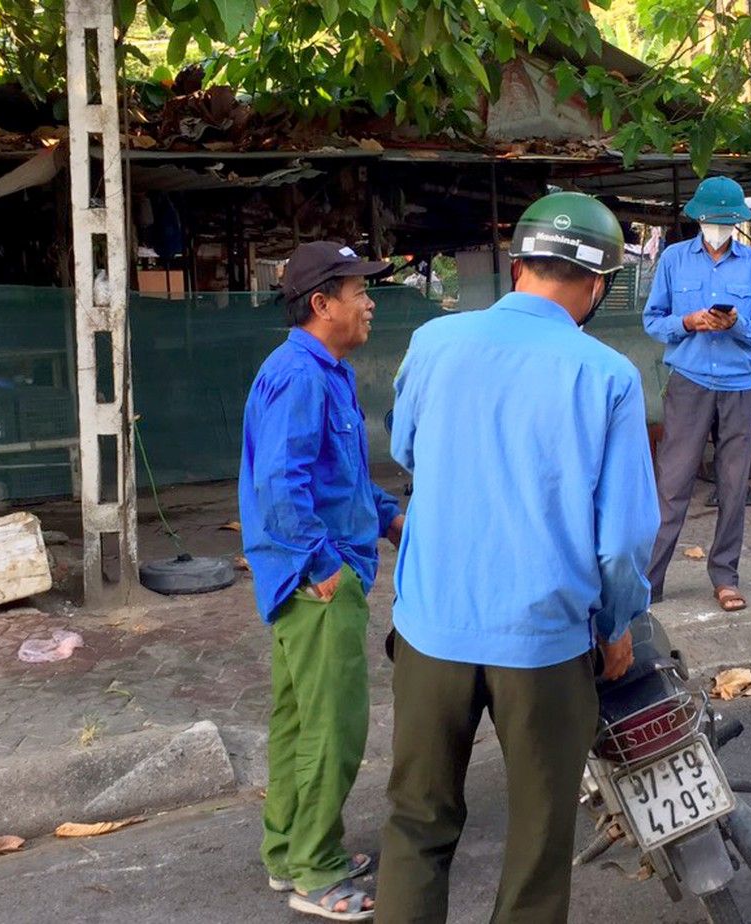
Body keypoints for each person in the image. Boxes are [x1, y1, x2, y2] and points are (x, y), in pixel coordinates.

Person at [376, 191, 659, 924]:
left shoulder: (435, 343)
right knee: (537, 842)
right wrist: (618, 621)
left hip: (431, 626)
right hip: (545, 641)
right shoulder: (607, 376)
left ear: (520, 262)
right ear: (598, 285)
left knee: (417, 823)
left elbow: (406, 449)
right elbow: (624, 538)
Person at [239, 241, 405, 923]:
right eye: (358, 291)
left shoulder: (326, 371)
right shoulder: (300, 375)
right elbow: (282, 485)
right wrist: (323, 567)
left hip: (320, 570)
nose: (369, 303)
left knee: (299, 721)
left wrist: (392, 520)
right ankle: (316, 869)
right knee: (333, 727)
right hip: (316, 582)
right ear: (321, 304)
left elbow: (343, 477)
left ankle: (289, 851)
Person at [642, 175, 751, 613]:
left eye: (727, 222)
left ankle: (725, 577)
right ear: (698, 219)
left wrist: (733, 324)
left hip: (740, 385)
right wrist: (689, 322)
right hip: (689, 381)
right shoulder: (674, 260)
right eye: (713, 221)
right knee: (673, 483)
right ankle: (650, 581)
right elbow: (653, 319)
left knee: (734, 485)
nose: (719, 228)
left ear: (737, 222)